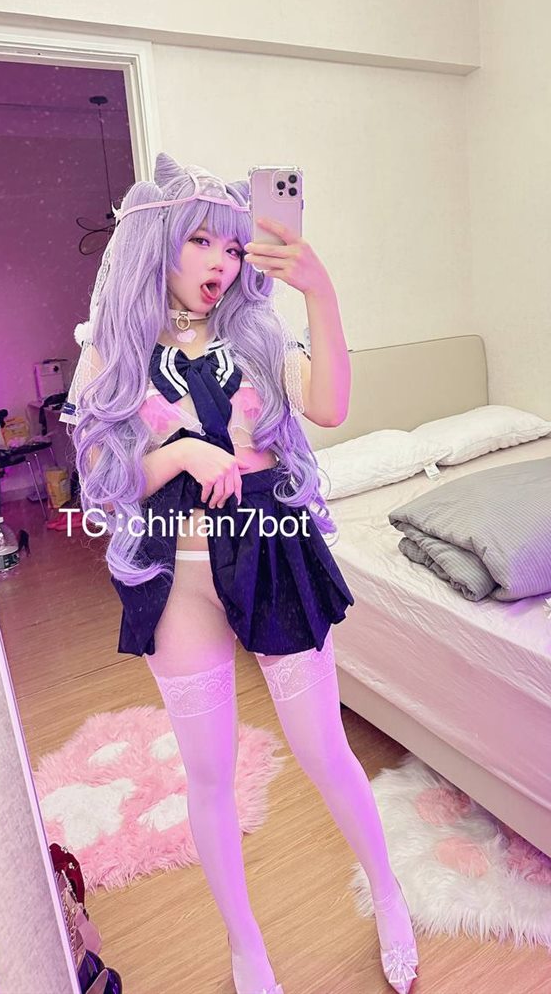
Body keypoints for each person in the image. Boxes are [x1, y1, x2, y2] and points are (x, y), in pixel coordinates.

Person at [60, 153, 419, 994]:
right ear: (158, 242)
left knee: (323, 749)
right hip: (177, 578)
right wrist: (181, 451)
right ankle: (246, 945)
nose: (220, 262)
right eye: (201, 242)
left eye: (231, 246)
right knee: (210, 775)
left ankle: (390, 894)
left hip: (271, 551)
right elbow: (101, 478)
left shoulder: (256, 336)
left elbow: (329, 405)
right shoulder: (111, 352)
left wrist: (319, 292)